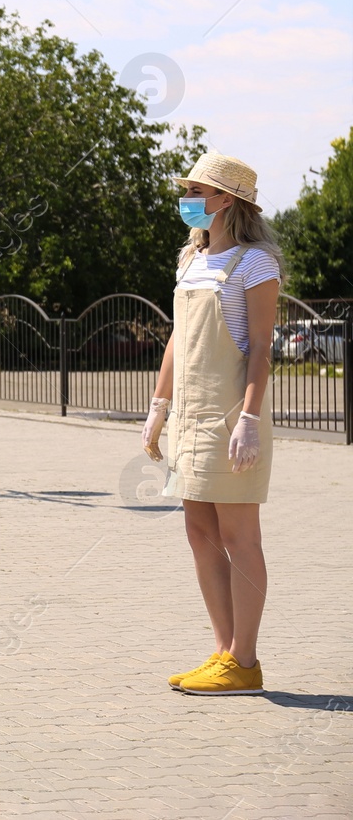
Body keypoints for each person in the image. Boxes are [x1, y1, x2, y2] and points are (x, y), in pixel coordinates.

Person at [142, 152, 281, 696]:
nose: (188, 200)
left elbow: (262, 349)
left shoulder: (256, 263)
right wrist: (158, 407)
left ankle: (244, 661)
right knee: (200, 532)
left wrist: (249, 416)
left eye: (197, 190)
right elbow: (179, 339)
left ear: (228, 200)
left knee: (239, 536)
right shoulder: (190, 261)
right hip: (191, 417)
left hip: (230, 417)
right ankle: (224, 652)